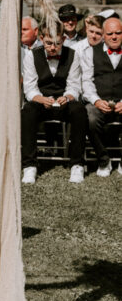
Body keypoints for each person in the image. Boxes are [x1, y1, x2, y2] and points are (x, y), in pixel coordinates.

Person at [20, 26, 88, 184]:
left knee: (79, 111)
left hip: (64, 101)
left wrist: (68, 97)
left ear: (63, 40)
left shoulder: (72, 55)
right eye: (49, 43)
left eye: (57, 43)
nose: (53, 47)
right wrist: (41, 99)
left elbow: (74, 86)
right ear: (41, 38)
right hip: (41, 101)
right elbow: (29, 88)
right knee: (28, 111)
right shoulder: (32, 55)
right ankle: (29, 165)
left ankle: (76, 164)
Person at [79, 16, 122, 177]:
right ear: (103, 35)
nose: (114, 37)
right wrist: (96, 100)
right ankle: (104, 160)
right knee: (89, 118)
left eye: (118, 33)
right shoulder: (90, 52)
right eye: (110, 33)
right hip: (99, 100)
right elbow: (86, 81)